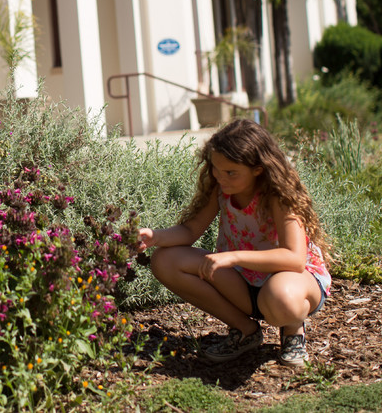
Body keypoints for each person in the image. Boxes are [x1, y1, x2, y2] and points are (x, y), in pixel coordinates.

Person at [138, 118, 331, 366]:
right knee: (165, 260)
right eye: (216, 169)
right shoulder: (220, 188)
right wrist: (154, 237)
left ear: (258, 169)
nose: (220, 177)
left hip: (292, 279)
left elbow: (294, 259)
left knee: (282, 298)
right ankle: (245, 331)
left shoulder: (278, 195)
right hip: (244, 280)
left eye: (230, 172)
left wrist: (233, 256)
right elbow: (189, 230)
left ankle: (293, 330)